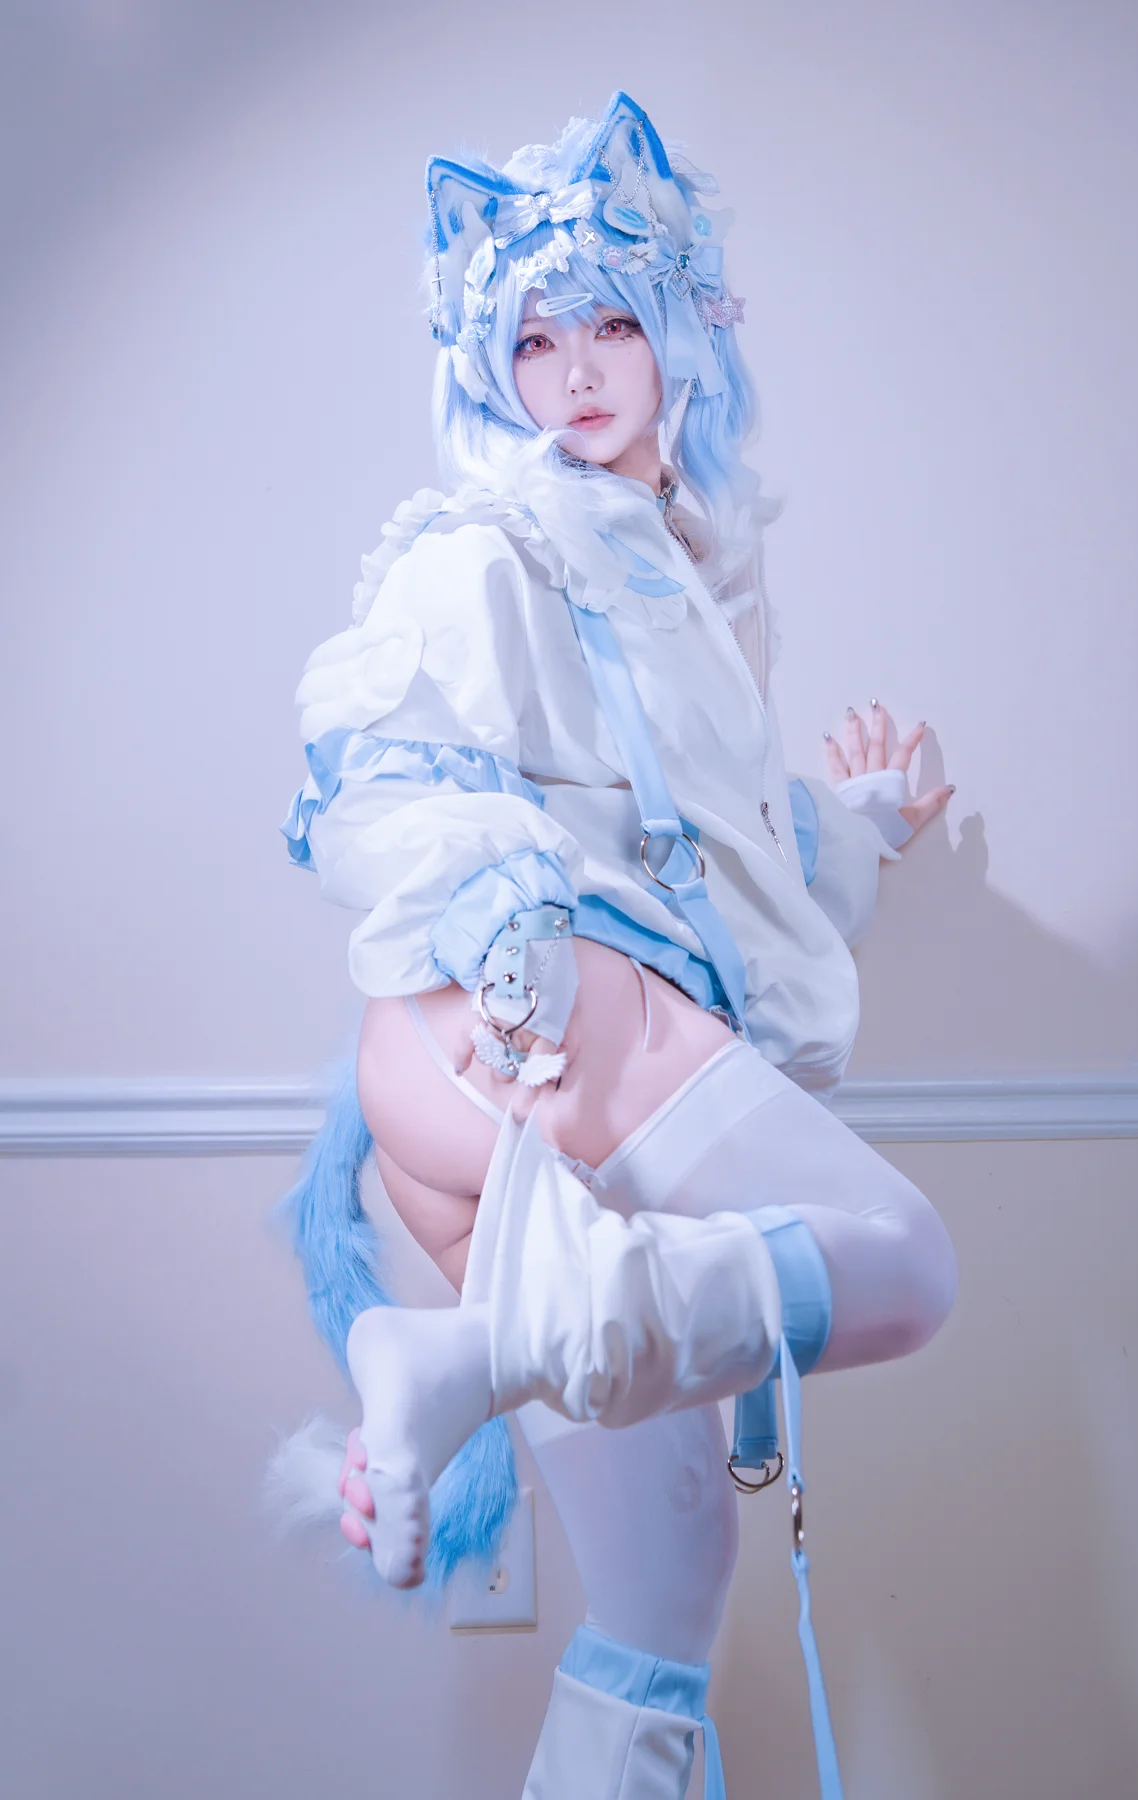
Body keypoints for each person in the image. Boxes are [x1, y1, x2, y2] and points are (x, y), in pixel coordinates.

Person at [280, 91, 957, 1800]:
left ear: (678, 333)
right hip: (511, 1029)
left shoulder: (671, 572)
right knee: (904, 1261)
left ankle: (483, 1350)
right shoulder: (493, 542)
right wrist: (503, 914)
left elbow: (705, 870)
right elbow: (380, 777)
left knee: (661, 1598)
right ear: (488, 368)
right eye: (532, 337)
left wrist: (858, 829)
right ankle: (477, 1353)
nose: (573, 370)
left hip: (485, 1079)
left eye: (607, 325)